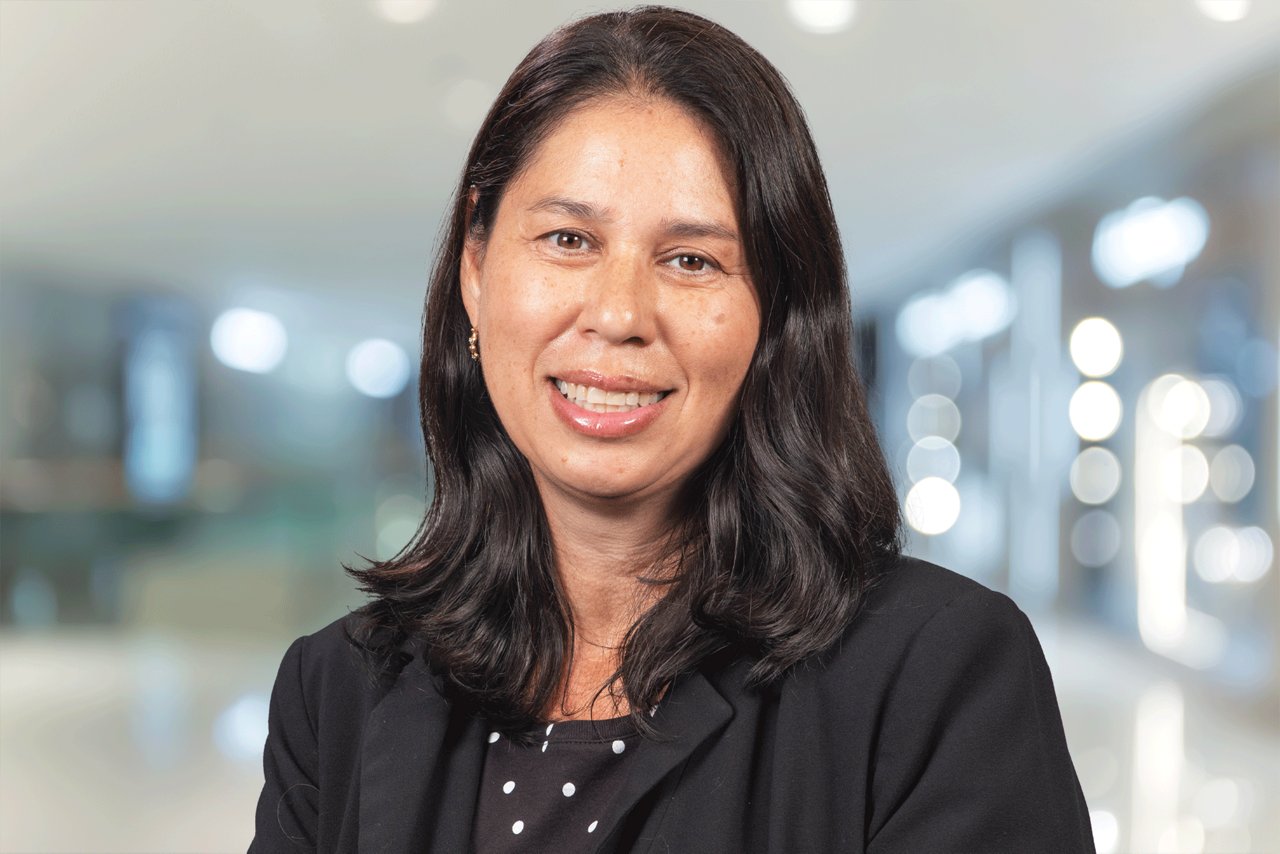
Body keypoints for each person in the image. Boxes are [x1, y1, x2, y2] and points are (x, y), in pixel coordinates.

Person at [249, 6, 1095, 852]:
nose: (618, 314)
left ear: (777, 310)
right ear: (476, 269)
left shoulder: (938, 674)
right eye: (568, 238)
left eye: (691, 260)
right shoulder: (339, 689)